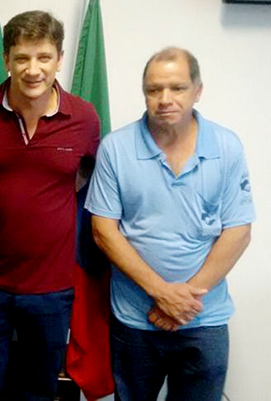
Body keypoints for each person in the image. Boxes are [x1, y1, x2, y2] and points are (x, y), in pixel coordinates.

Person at [0, 10, 100, 401]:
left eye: (44, 57)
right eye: (22, 57)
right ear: (6, 59)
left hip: (52, 289)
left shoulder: (84, 117)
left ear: (59, 59)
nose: (33, 69)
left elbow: (98, 177)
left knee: (38, 391)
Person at [85, 47, 255, 400]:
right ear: (144, 92)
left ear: (198, 90)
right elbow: (103, 232)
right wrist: (161, 293)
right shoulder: (116, 148)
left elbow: (238, 231)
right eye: (154, 89)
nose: (165, 99)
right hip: (135, 319)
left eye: (177, 88)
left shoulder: (226, 147)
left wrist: (182, 303)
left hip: (203, 320)